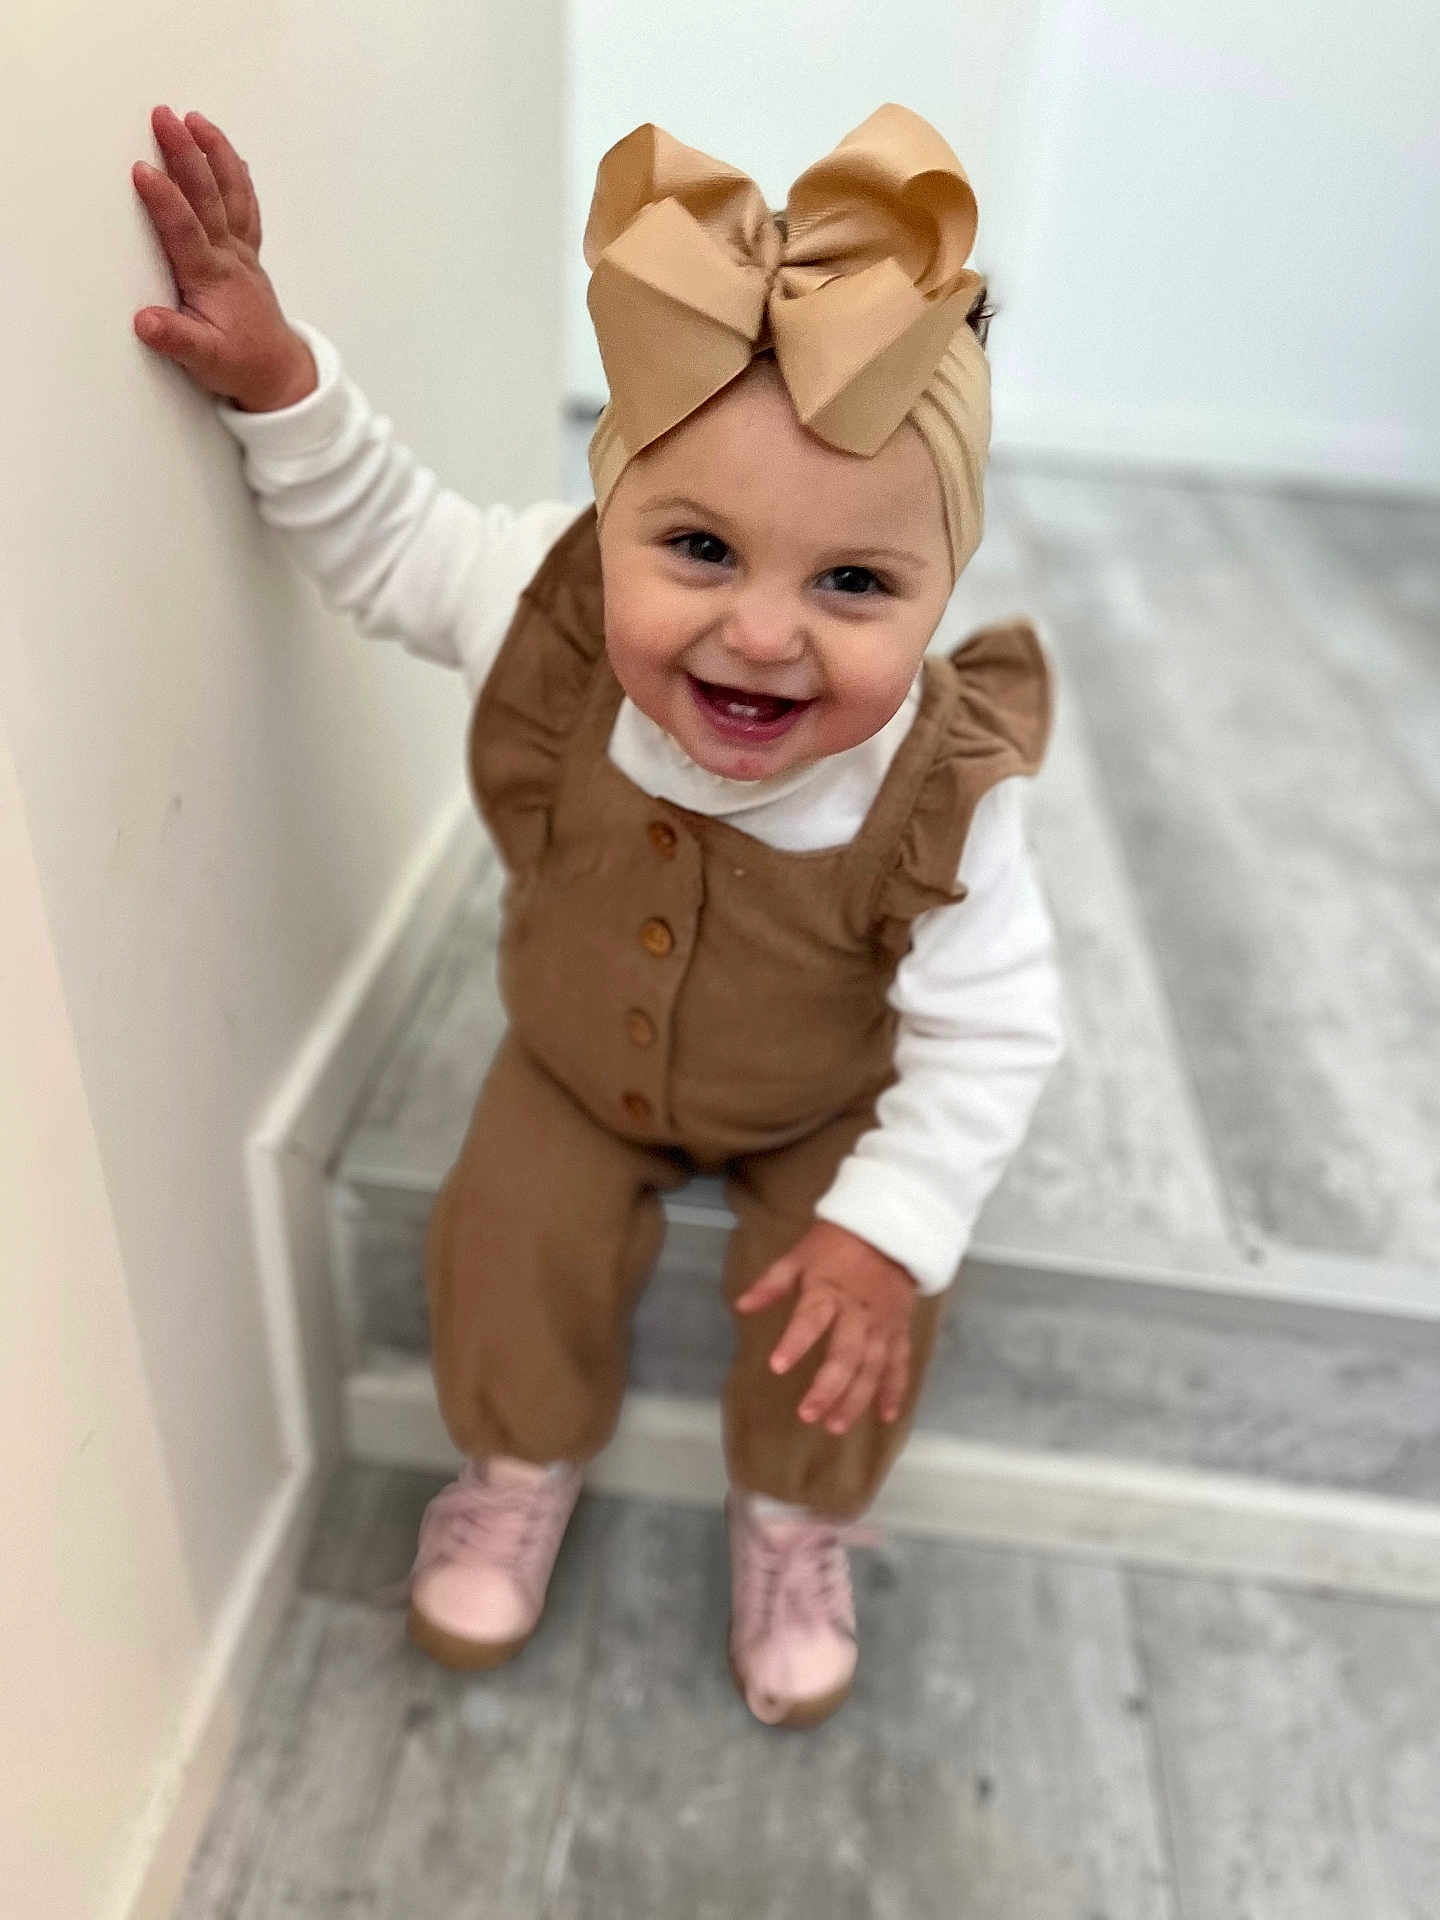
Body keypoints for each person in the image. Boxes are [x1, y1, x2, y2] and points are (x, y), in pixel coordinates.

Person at [132, 99, 1066, 1729]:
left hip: (822, 1099)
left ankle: (795, 1517)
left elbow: (997, 1027)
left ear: (940, 592)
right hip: (576, 1060)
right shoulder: (542, 609)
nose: (762, 634)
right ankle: (518, 1460)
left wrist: (887, 1221)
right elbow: (385, 535)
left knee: (852, 1304)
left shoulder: (947, 800)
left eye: (856, 585)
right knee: (502, 1234)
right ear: (609, 517)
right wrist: (281, 382)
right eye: (698, 548)